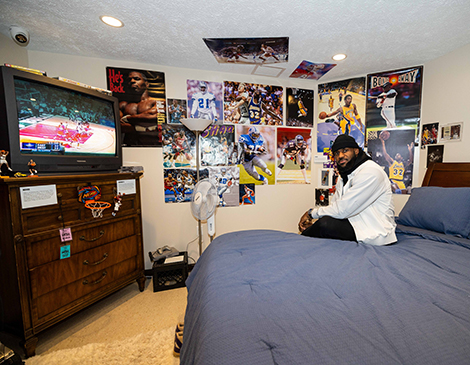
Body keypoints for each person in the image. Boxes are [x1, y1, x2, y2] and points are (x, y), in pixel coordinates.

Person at [298, 134, 396, 246]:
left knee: (325, 224)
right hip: (354, 224)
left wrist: (311, 213)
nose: (340, 156)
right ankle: (303, 240)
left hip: (376, 232)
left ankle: (299, 243)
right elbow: (336, 207)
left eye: (345, 150)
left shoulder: (371, 172)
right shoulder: (345, 175)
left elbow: (342, 210)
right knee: (324, 224)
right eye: (336, 153)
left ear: (356, 151)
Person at [119, 71, 161, 145]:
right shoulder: (123, 105)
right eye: (129, 80)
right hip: (129, 146)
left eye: (136, 78)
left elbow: (153, 117)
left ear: (147, 84)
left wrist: (128, 118)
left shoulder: (157, 102)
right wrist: (146, 128)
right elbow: (119, 126)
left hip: (153, 146)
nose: (132, 81)